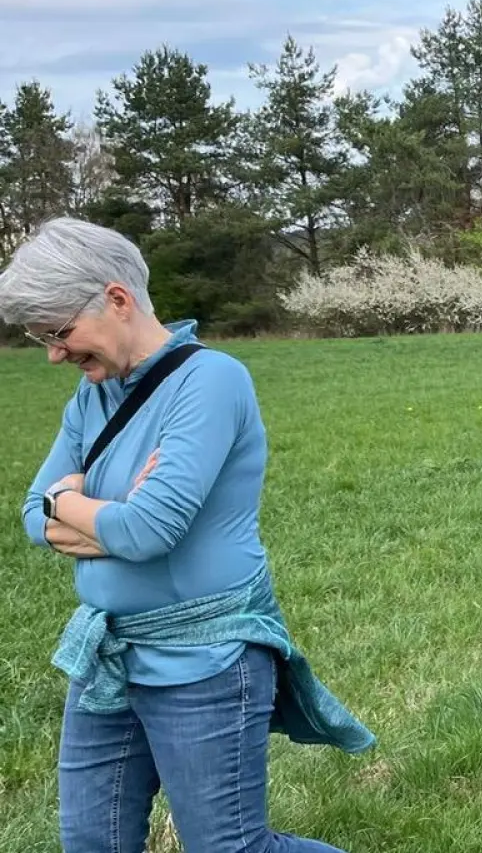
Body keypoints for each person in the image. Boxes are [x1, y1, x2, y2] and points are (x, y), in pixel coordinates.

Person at [0, 218, 374, 853]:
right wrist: (97, 513)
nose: (54, 355)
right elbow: (34, 518)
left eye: (58, 332)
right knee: (91, 843)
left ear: (117, 299)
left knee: (230, 848)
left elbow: (147, 530)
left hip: (205, 660)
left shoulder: (211, 381)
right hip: (107, 655)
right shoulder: (91, 398)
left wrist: (70, 499)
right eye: (41, 337)